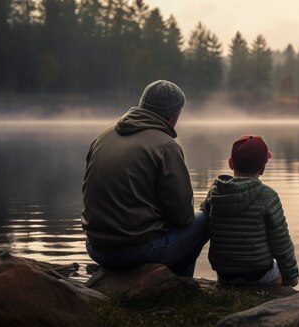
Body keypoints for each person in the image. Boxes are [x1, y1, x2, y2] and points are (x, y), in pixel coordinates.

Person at [82, 80, 208, 277]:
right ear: (174, 115)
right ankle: (179, 286)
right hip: (135, 252)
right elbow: (183, 217)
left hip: (95, 247)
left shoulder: (103, 137)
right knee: (204, 220)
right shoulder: (166, 146)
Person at [200, 135, 299, 286]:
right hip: (259, 274)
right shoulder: (268, 196)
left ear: (231, 163)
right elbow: (281, 242)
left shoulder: (216, 192)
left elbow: (203, 219)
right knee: (278, 273)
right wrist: (291, 277)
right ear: (263, 168)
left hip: (225, 274)